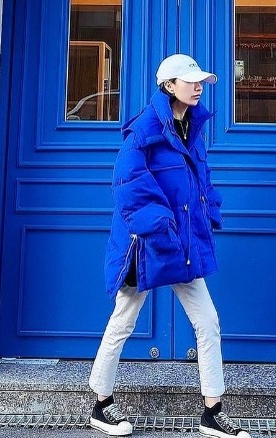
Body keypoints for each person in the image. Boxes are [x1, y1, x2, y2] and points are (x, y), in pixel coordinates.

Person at [88, 54, 250, 438]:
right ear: (168, 85)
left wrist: (209, 208)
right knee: (123, 322)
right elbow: (128, 188)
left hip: (182, 243)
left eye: (200, 81)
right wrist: (162, 227)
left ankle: (213, 411)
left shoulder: (191, 128)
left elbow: (200, 178)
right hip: (143, 244)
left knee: (208, 322)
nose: (198, 86)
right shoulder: (144, 129)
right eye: (189, 80)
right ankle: (101, 404)